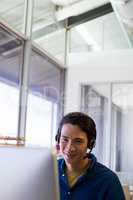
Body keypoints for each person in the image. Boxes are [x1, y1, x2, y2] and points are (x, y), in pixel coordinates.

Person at [55, 112, 125, 200]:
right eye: (65, 139)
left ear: (90, 144)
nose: (70, 148)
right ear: (58, 139)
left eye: (78, 141)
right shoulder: (48, 172)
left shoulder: (108, 180)